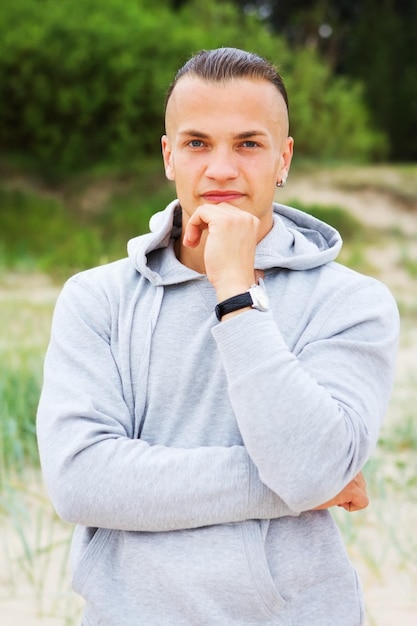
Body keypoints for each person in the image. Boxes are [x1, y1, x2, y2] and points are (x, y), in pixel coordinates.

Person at [37, 47, 399, 625]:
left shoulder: (352, 302)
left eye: (248, 144)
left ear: (284, 158)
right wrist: (286, 487)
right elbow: (80, 480)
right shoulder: (96, 298)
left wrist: (235, 291)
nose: (222, 169)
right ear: (168, 155)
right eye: (198, 143)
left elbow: (313, 468)